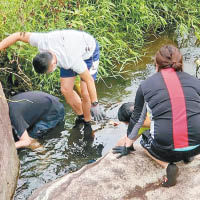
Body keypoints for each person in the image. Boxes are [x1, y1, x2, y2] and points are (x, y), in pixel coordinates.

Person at [113, 45, 200, 187]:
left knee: (144, 141)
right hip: (197, 146)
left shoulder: (146, 85)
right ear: (181, 63)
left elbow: (138, 119)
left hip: (166, 152)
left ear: (156, 65)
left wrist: (128, 146)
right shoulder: (195, 81)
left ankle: (168, 167)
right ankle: (187, 157)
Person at [0, 29, 105, 128]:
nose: (48, 73)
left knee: (85, 93)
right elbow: (18, 35)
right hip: (68, 49)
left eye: (48, 71)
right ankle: (81, 117)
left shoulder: (71, 60)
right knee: (66, 90)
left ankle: (87, 123)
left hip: (88, 51)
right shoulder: (41, 41)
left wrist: (95, 103)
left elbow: (89, 80)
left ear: (54, 63)